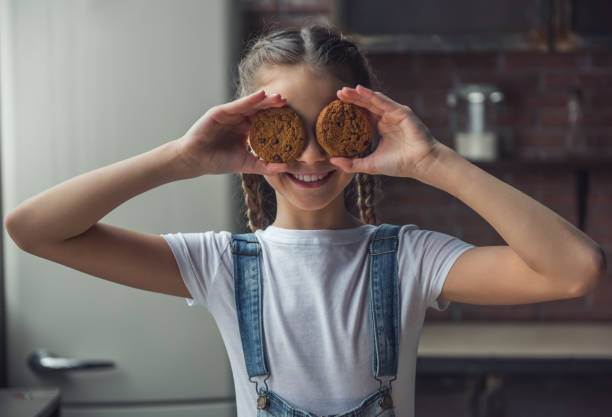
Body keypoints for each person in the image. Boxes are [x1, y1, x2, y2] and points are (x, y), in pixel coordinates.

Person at [4, 23, 605, 417]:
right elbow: (33, 229)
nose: (313, 156)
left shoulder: (411, 259)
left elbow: (575, 270)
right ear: (252, 133)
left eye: (329, 128)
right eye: (289, 129)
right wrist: (181, 158)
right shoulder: (220, 265)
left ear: (368, 128)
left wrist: (432, 161)